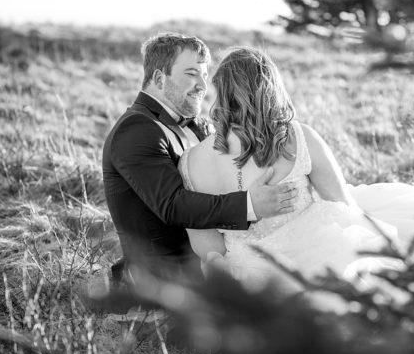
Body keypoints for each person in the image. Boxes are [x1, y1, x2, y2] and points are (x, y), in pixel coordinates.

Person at [178, 47, 414, 304]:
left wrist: (227, 273)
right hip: (319, 253)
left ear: (220, 93)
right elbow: (342, 204)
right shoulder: (298, 137)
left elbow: (206, 245)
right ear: (268, 90)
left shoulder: (191, 162)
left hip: (250, 270)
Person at [102, 33, 298, 289]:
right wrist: (250, 205)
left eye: (205, 76)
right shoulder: (136, 130)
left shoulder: (201, 126)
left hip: (215, 257)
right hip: (166, 277)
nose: (202, 85)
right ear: (160, 78)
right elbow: (173, 205)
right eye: (191, 73)